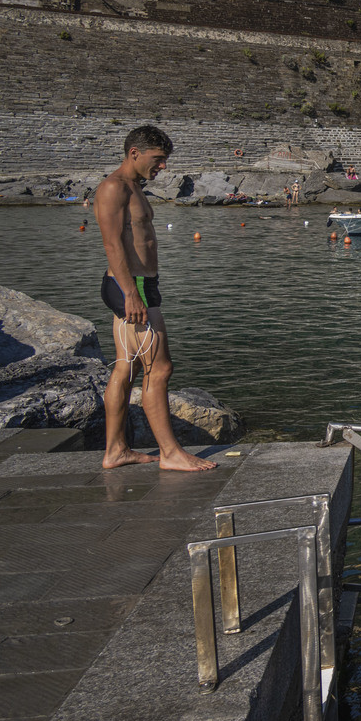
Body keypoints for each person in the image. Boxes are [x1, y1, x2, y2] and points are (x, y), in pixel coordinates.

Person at [93, 126, 217, 473]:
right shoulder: (113, 187)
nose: (162, 167)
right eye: (158, 159)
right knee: (159, 368)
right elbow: (112, 244)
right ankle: (170, 453)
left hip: (141, 284)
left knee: (126, 368)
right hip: (131, 287)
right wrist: (131, 293)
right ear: (134, 152)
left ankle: (116, 450)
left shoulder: (133, 187)